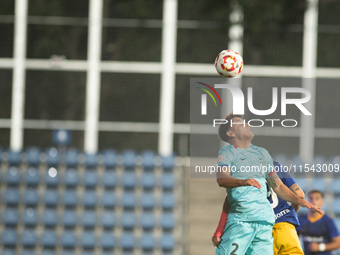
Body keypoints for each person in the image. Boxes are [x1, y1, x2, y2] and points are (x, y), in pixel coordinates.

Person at [213, 113, 323, 255]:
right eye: (240, 123)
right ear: (230, 133)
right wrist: (242, 181)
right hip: (242, 221)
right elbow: (221, 179)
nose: (246, 125)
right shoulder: (227, 152)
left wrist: (300, 201)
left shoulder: (262, 153)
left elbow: (277, 185)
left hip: (265, 222)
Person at [212, 161, 305, 255]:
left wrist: (219, 231)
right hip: (284, 225)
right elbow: (300, 195)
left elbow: (230, 202)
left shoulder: (240, 171)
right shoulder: (274, 165)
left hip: (259, 229)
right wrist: (289, 215)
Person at [297, 190, 340, 255]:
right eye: (311, 198)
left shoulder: (328, 221)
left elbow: (338, 243)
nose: (313, 201)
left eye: (317, 198)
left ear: (322, 202)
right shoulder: (301, 219)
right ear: (307, 201)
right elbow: (294, 237)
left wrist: (320, 247)